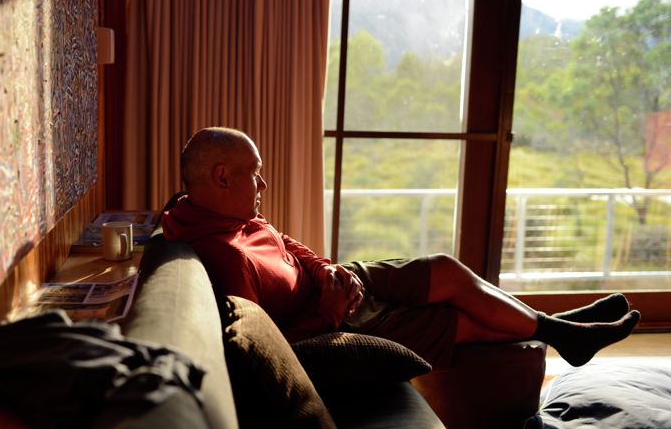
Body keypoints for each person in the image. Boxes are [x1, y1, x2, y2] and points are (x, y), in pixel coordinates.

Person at [162, 127, 640, 368]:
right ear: (223, 176)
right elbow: (266, 348)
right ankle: (565, 333)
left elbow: (282, 239)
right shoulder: (222, 253)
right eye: (254, 172)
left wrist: (328, 268)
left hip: (338, 284)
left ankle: (559, 327)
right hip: (338, 319)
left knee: (445, 269)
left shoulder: (215, 211)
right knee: (461, 322)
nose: (263, 182)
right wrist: (329, 312)